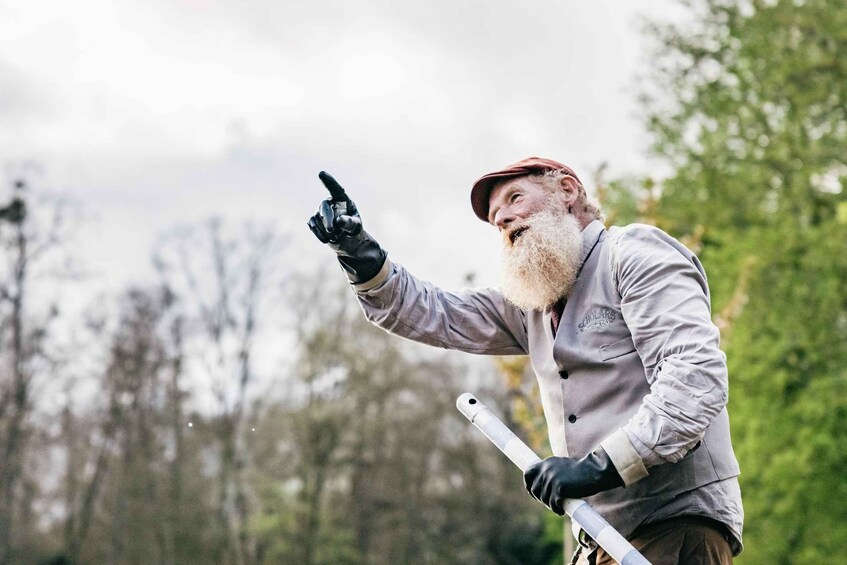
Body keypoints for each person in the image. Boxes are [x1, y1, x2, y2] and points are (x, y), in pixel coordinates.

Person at [308, 158, 743, 564]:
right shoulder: (531, 307)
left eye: (515, 199)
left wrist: (598, 468)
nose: (502, 218)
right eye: (496, 219)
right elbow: (435, 313)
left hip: (675, 525)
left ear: (568, 191)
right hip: (601, 541)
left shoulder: (632, 254)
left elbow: (695, 378)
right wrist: (359, 255)